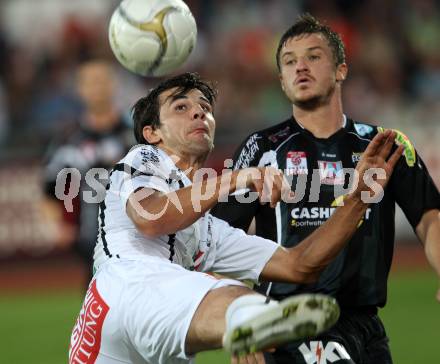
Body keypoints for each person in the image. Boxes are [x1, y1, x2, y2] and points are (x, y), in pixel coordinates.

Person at [68, 72, 402, 364]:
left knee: (243, 302)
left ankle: (251, 324)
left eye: (205, 107)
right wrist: (240, 177)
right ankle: (250, 321)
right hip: (122, 292)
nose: (199, 111)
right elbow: (152, 216)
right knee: (239, 297)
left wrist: (358, 200)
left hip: (118, 337)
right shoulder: (143, 158)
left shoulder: (206, 229)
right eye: (181, 107)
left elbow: (298, 265)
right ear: (152, 132)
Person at [211, 14, 440, 364]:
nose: (300, 67)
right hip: (290, 323)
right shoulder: (262, 148)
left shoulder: (383, 146)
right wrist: (244, 322)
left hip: (367, 330)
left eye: (313, 57)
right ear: (282, 81)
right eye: (289, 61)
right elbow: (217, 240)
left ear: (341, 70)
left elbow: (429, 216)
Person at [42, 59, 134, 287]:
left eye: (103, 81)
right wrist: (60, 226)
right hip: (90, 243)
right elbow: (47, 188)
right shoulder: (67, 140)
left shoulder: (137, 134)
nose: (98, 87)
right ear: (80, 90)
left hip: (137, 239)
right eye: (91, 82)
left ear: (114, 85)